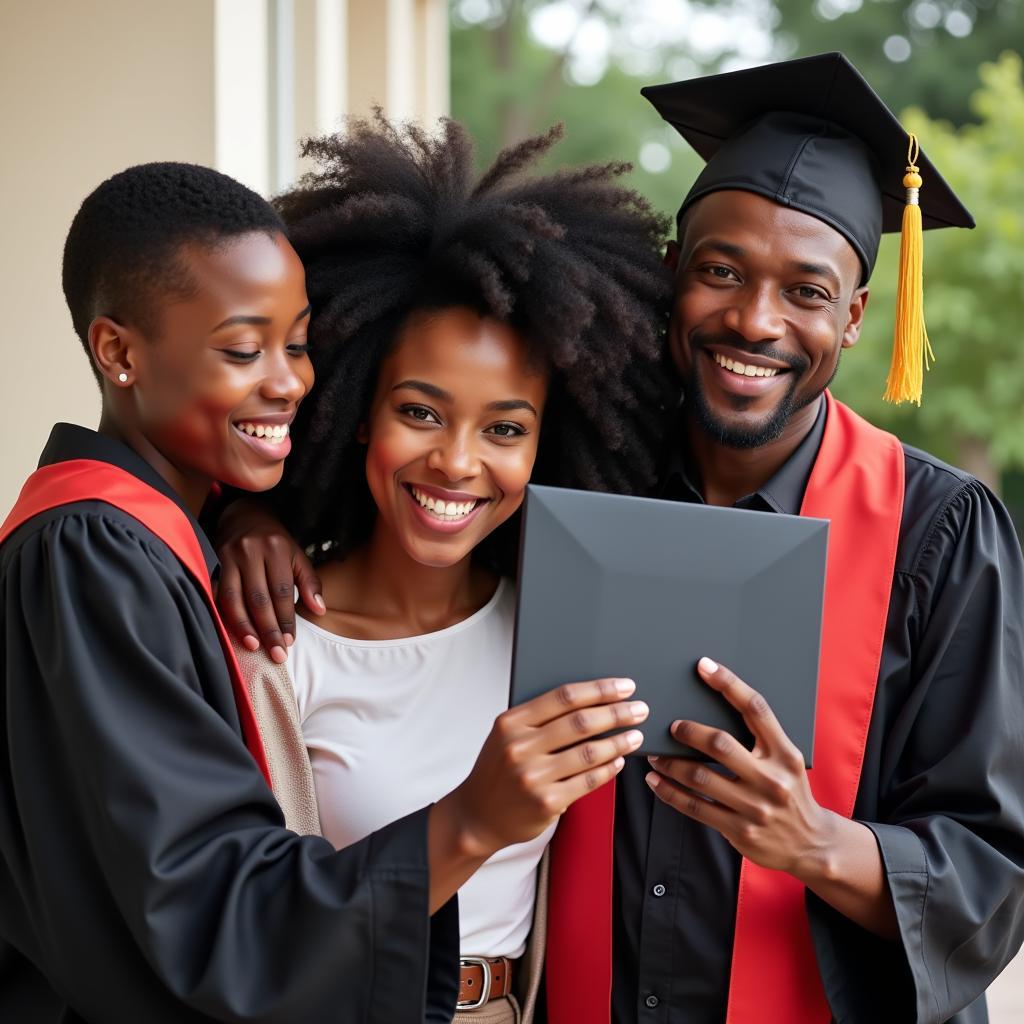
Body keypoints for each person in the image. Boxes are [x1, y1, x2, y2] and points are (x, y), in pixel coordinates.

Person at [227, 54, 1024, 1024]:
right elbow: (417, 493)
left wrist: (813, 838)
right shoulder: (574, 472)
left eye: (807, 292)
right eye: (719, 271)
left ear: (855, 316)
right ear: (668, 276)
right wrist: (252, 514)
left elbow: (992, 875)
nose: (754, 319)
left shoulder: (935, 535)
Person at [0, 162, 643, 1024]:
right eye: (242, 349)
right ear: (119, 351)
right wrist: (470, 820)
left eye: (298, 344)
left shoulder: (175, 544)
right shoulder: (93, 554)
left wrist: (244, 515)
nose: (289, 382)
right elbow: (214, 910)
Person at [213, 115, 673, 1022]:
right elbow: (241, 915)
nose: (458, 464)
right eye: (420, 412)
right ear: (353, 409)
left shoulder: (556, 637)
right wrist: (238, 511)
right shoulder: (272, 638)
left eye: (505, 429)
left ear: (549, 445)